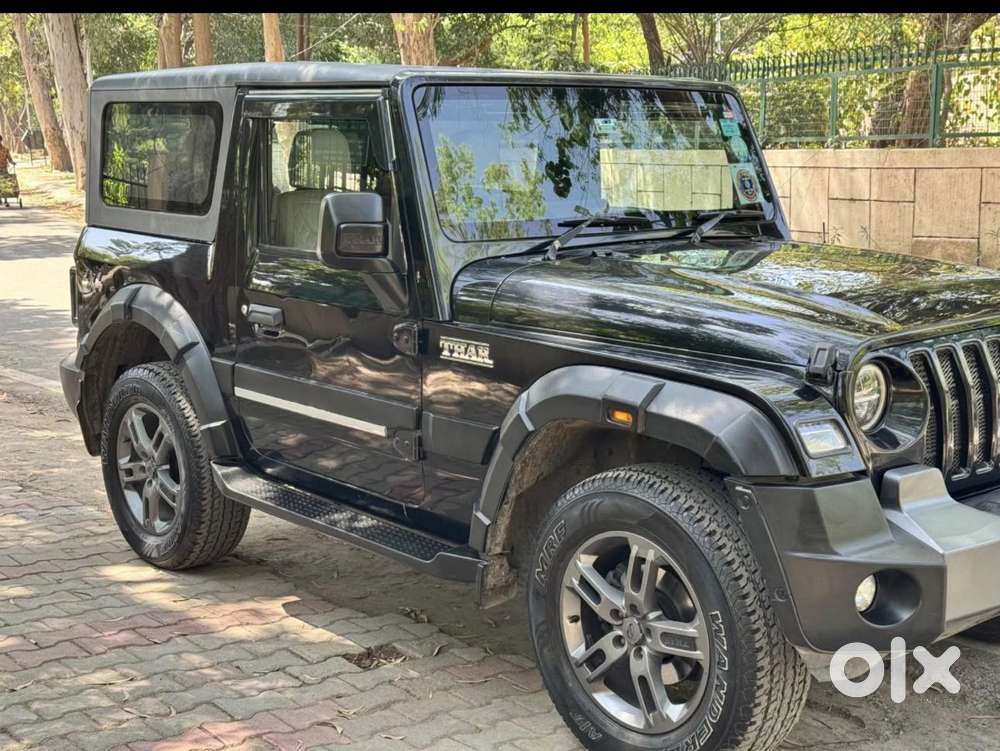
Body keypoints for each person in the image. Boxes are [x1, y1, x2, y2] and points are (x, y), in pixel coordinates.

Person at [0, 135, 14, 207]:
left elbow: (9, 158)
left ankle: (5, 201)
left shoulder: (5, 149)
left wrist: (12, 162)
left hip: (4, 169)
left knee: (5, 185)